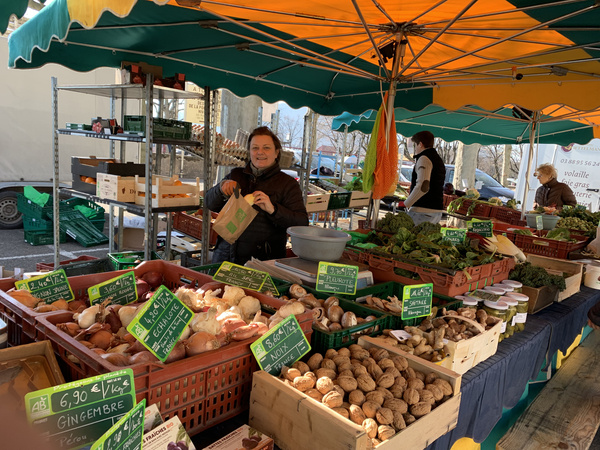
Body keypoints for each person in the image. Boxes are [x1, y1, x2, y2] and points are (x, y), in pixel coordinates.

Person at [205, 126, 309, 265]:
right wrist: (220, 189)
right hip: (225, 257)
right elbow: (209, 203)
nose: (260, 152)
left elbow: (301, 223)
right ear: (249, 151)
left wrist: (273, 210)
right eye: (255, 148)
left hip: (263, 262)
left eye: (266, 148)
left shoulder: (287, 184)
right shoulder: (236, 174)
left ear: (276, 152)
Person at [402, 131, 446, 225]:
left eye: (415, 145)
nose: (415, 149)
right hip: (436, 211)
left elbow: (423, 186)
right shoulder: (438, 159)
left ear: (420, 144)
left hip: (422, 211)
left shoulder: (424, 158)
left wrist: (406, 204)